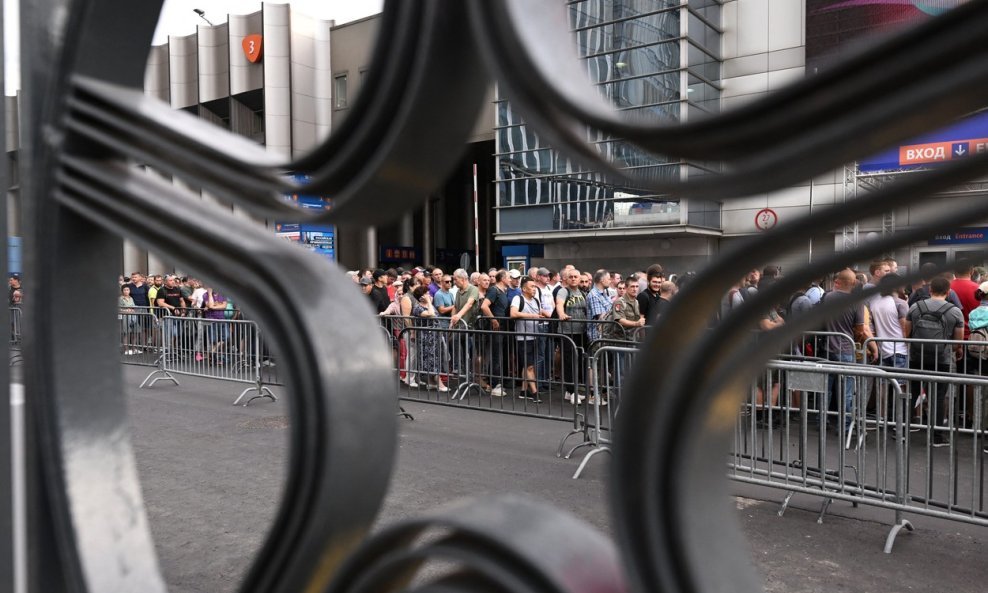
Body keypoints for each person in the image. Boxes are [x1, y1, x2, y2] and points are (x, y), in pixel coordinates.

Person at [904, 276, 964, 446]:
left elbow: (906, 334)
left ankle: (901, 430)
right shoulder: (954, 311)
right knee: (938, 396)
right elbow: (957, 342)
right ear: (949, 292)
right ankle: (936, 436)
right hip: (942, 359)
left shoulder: (915, 307)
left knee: (912, 393)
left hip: (917, 357)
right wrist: (954, 350)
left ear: (930, 291)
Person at [510, 276, 546, 402]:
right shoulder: (517, 299)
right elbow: (513, 314)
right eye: (532, 286)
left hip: (535, 336)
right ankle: (535, 393)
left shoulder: (536, 300)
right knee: (530, 366)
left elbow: (542, 312)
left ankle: (523, 391)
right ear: (524, 289)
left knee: (527, 366)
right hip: (523, 338)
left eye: (535, 286)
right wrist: (533, 316)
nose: (534, 289)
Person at [556, 269, 588, 400]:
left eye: (576, 277)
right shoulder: (563, 291)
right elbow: (559, 303)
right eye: (571, 277)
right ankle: (571, 391)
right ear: (566, 279)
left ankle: (572, 390)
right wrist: (561, 314)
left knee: (579, 360)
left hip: (580, 332)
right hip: (567, 331)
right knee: (569, 361)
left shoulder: (582, 293)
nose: (574, 279)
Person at [410, 285, 448, 392]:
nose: (429, 295)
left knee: (435, 358)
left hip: (434, 336)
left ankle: (431, 382)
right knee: (431, 360)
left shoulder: (428, 305)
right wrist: (429, 303)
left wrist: (429, 303)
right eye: (426, 294)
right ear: (421, 297)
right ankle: (439, 384)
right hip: (426, 337)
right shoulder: (418, 308)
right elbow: (431, 315)